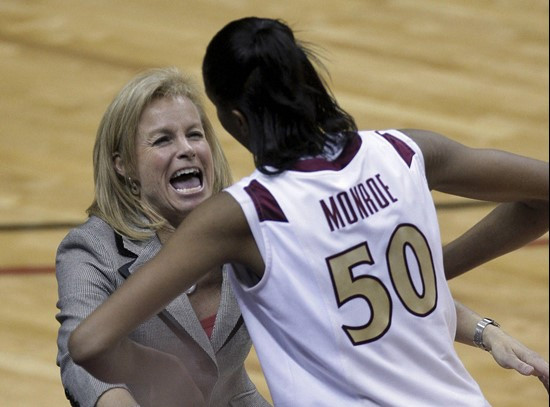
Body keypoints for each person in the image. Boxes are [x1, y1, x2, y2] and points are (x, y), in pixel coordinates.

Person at [68, 17, 549, 406]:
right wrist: (431, 272)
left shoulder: (246, 213)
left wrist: (162, 369)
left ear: (236, 121)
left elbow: (89, 343)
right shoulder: (406, 152)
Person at [55, 67, 271, 407]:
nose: (186, 149)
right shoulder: (91, 250)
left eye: (195, 135)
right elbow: (80, 360)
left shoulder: (244, 226)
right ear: (122, 165)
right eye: (163, 139)